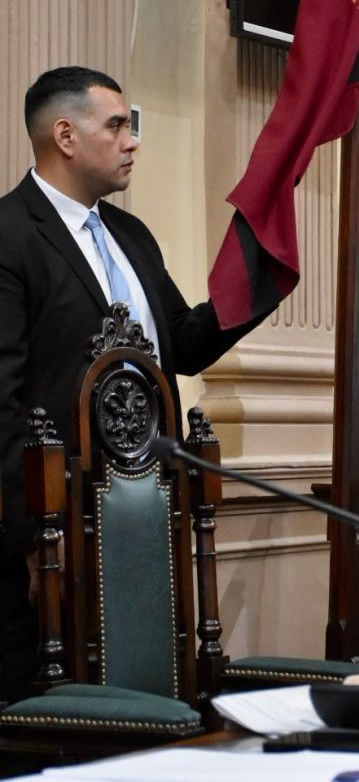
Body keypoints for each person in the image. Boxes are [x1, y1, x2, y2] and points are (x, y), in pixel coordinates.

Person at [0, 66, 266, 701]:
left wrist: (257, 279)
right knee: (59, 709)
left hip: (148, 517)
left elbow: (184, 344)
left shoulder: (131, 235)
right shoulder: (10, 234)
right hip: (54, 529)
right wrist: (32, 537)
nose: (131, 141)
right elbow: (2, 404)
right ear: (66, 135)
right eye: (116, 126)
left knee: (150, 701)